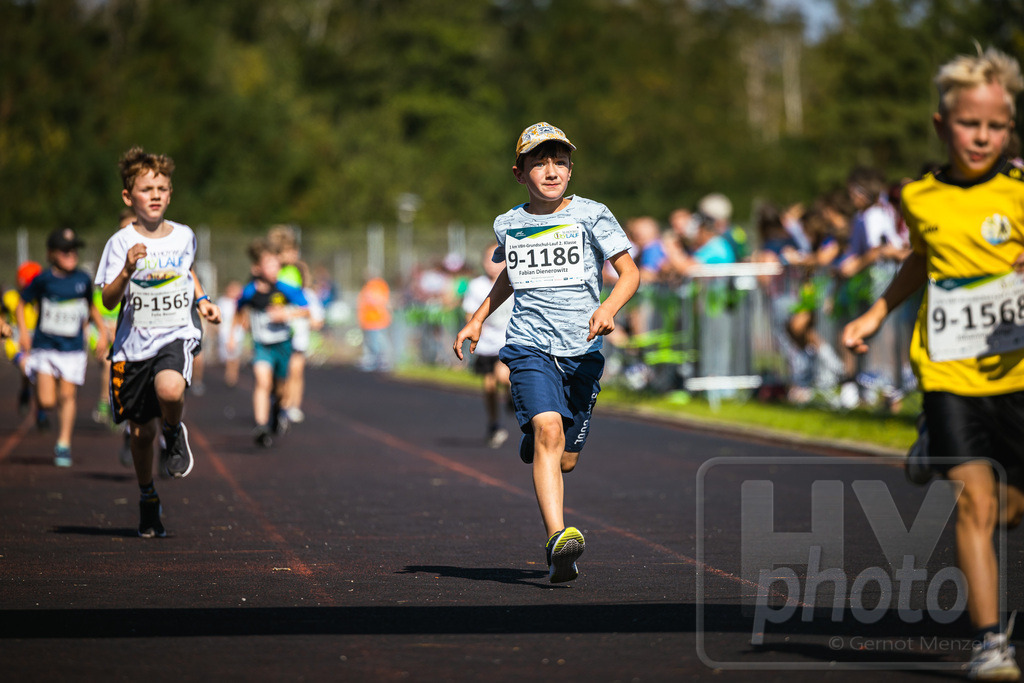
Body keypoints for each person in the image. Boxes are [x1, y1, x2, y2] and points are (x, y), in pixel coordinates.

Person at [842, 46, 1024, 681]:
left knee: (1008, 508)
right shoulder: (920, 196)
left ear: (1010, 129)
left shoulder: (1021, 192)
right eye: (970, 124)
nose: (983, 136)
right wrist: (874, 314)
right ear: (942, 125)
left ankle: (929, 446)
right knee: (974, 503)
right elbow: (919, 259)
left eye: (997, 126)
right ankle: (990, 644)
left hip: (1015, 375)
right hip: (948, 370)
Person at [454, 122, 639, 583]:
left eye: (559, 162)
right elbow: (509, 276)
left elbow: (630, 273)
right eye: (539, 162)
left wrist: (609, 307)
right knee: (549, 432)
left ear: (571, 171)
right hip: (529, 345)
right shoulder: (510, 223)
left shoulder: (593, 215)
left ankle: (538, 439)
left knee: (566, 455)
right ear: (520, 173)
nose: (551, 170)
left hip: (583, 349)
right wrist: (477, 318)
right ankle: (559, 540)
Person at [95, 146, 221, 538]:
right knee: (139, 433)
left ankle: (174, 430)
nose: (154, 194)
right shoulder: (119, 243)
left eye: (162, 188)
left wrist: (201, 301)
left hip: (175, 333)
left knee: (170, 388)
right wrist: (128, 268)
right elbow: (109, 300)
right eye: (146, 188)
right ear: (128, 196)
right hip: (134, 345)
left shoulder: (184, 235)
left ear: (170, 194)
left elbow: (187, 271)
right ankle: (147, 496)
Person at [16, 228, 107, 467]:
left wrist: (104, 332)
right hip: (45, 347)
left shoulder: (82, 279)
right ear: (52, 254)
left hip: (73, 348)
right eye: (66, 251)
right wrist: (24, 333)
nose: (71, 255)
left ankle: (63, 443)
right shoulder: (43, 279)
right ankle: (40, 408)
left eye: (74, 250)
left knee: (67, 395)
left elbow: (91, 307)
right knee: (47, 401)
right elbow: (21, 304)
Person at [230, 238, 310, 447]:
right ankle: (261, 426)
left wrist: (286, 313)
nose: (275, 270)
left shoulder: (285, 289)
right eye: (270, 265)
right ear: (257, 268)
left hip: (282, 345)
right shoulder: (250, 291)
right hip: (261, 345)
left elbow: (306, 309)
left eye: (277, 265)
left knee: (281, 389)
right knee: (262, 382)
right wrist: (233, 336)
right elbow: (238, 311)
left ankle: (277, 410)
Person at [461, 244, 514, 448]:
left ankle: (512, 395)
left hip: (508, 340)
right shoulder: (477, 286)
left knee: (503, 375)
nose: (493, 265)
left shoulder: (515, 282)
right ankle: (494, 424)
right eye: (489, 260)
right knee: (489, 386)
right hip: (485, 343)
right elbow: (469, 312)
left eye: (498, 259)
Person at [267, 225, 317, 423]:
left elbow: (305, 296)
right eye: (289, 251)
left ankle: (292, 405)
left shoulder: (299, 270)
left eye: (295, 251)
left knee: (296, 370)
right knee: (279, 372)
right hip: (278, 326)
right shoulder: (273, 272)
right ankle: (279, 401)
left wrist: (309, 314)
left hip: (297, 325)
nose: (294, 254)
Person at [91, 208, 134, 425]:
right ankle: (105, 403)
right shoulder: (114, 256)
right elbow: (96, 304)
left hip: (134, 328)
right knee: (109, 364)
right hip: (106, 329)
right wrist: (104, 329)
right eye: (122, 230)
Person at [4, 261, 42, 419]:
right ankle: (40, 412)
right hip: (15, 343)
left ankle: (35, 403)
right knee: (28, 368)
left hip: (36, 343)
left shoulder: (40, 300)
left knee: (37, 375)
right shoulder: (10, 298)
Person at [356, 271, 393, 372]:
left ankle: (382, 362)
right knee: (371, 343)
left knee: (378, 343)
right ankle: (373, 362)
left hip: (377, 321)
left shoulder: (378, 286)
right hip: (368, 321)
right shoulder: (367, 287)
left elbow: (381, 301)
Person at [216, 280, 245, 388]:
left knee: (234, 356)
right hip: (224, 334)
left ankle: (232, 377)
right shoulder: (222, 301)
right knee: (227, 356)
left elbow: (240, 317)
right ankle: (230, 376)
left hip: (236, 334)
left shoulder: (239, 303)